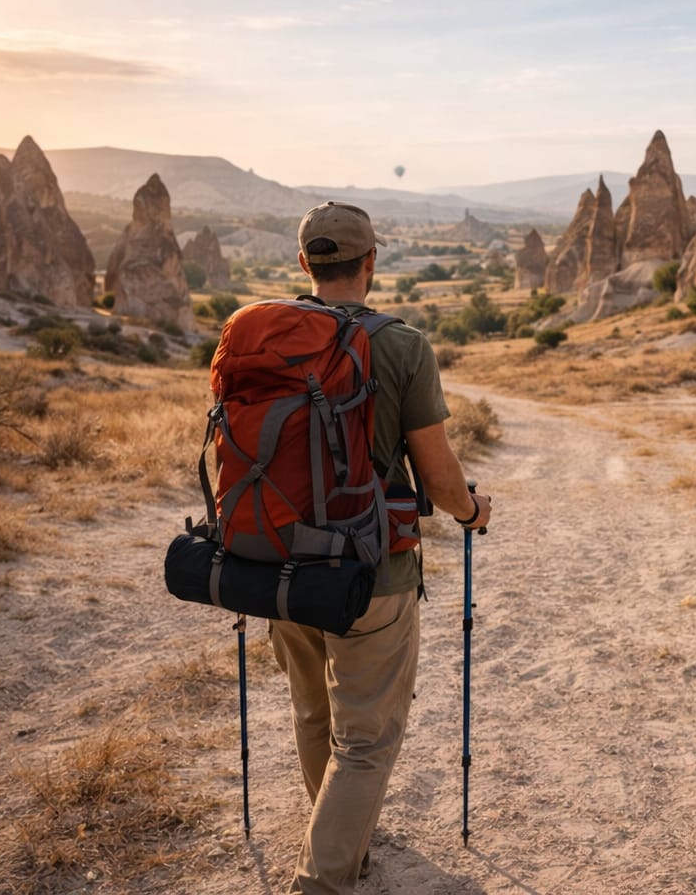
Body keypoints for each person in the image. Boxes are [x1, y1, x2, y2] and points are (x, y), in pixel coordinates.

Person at [270, 201, 492, 895]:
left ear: (305, 264)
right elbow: (438, 474)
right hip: (373, 570)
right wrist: (472, 512)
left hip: (277, 563)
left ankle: (343, 842)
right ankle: (323, 878)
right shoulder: (401, 345)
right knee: (365, 740)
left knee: (314, 714)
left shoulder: (266, 335)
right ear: (372, 263)